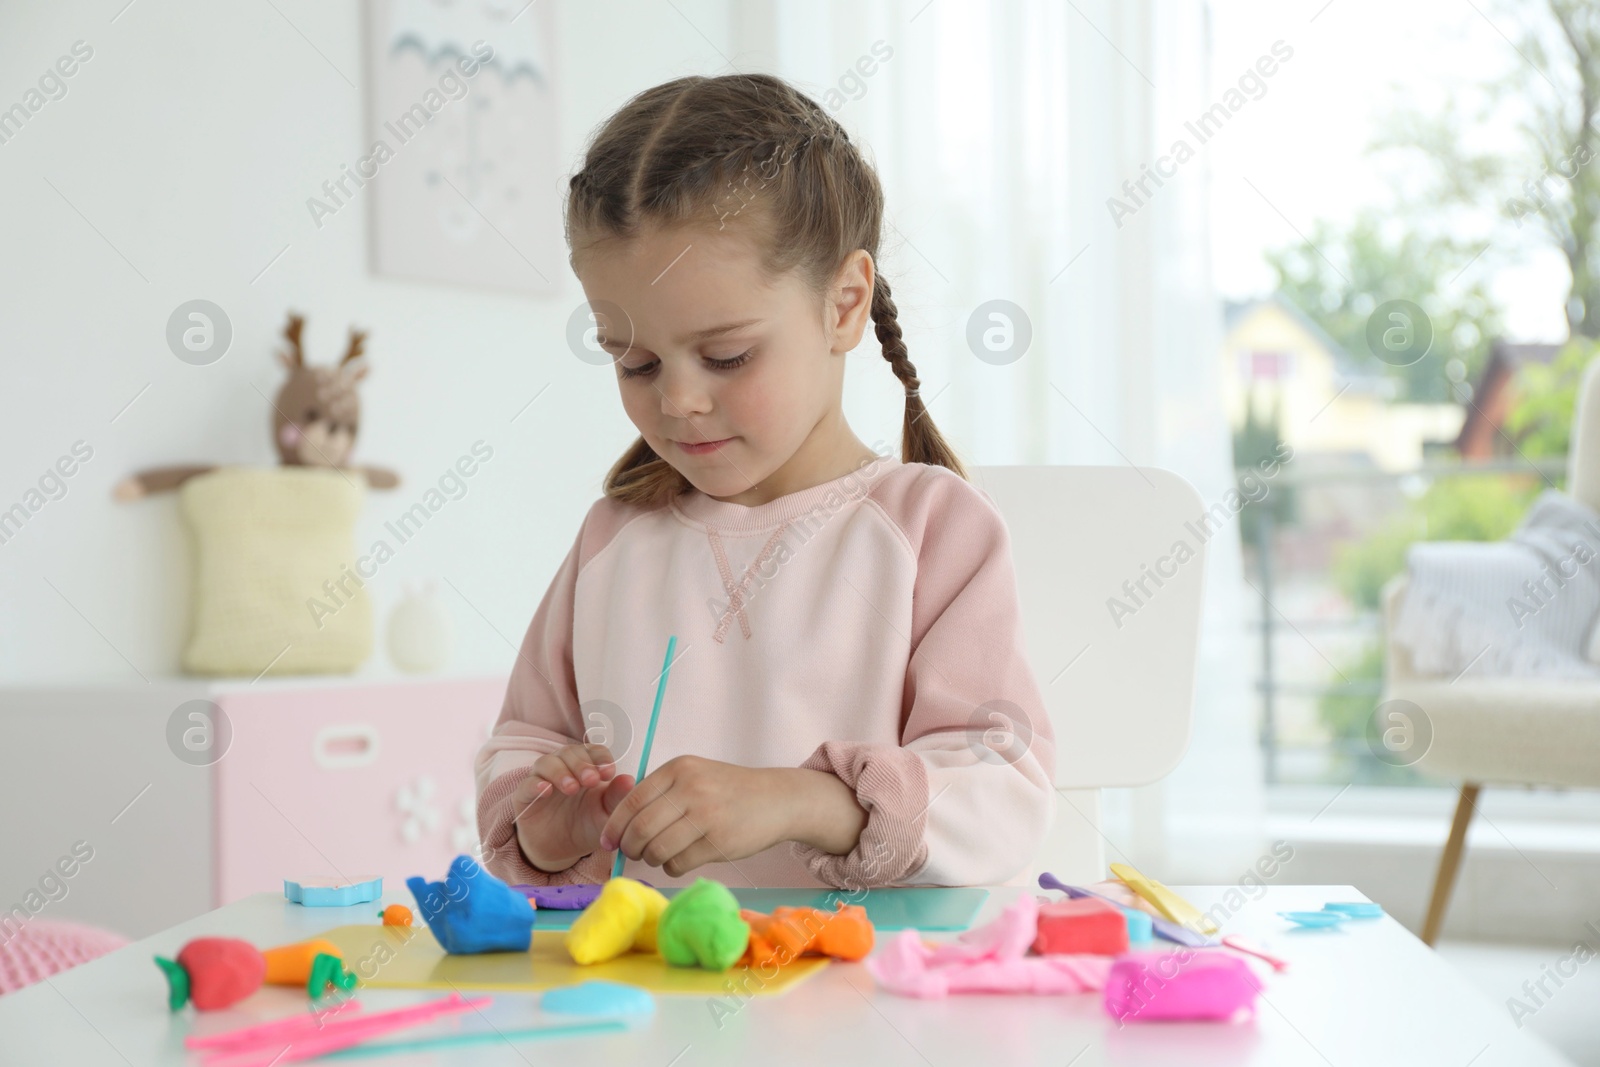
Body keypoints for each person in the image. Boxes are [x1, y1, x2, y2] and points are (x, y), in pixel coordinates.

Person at [475, 73, 1054, 890]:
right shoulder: (614, 540)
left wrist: (802, 801)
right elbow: (524, 746)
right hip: (650, 1004)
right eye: (633, 360)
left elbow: (1003, 795)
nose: (676, 398)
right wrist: (550, 824)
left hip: (867, 1004)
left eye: (727, 356)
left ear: (844, 304)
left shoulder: (932, 529)